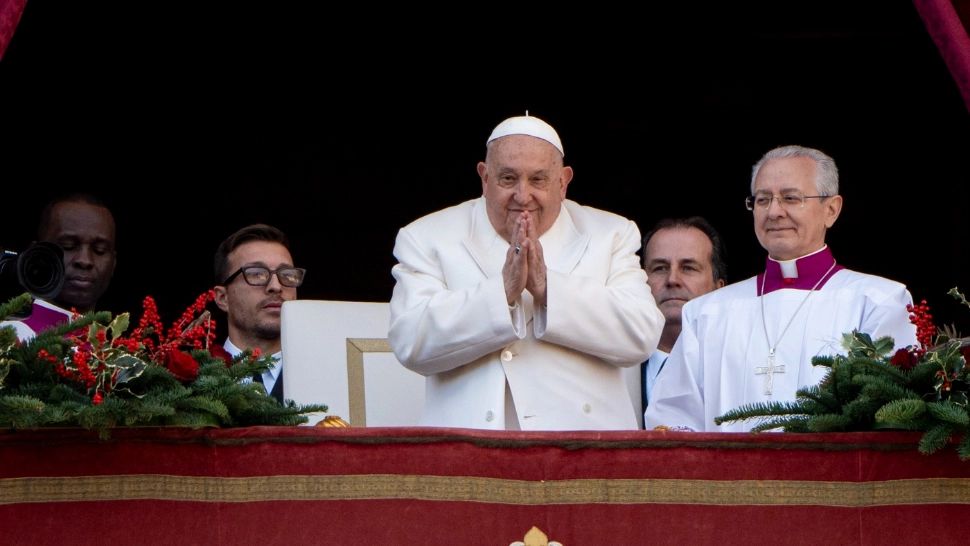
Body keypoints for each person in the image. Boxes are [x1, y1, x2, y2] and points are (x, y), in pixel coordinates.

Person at [388, 114, 664, 431]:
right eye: (508, 179)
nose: (522, 195)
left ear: (563, 182)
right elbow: (411, 342)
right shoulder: (427, 236)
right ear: (484, 177)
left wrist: (549, 290)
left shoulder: (610, 233)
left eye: (538, 180)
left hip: (585, 443)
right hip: (472, 444)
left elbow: (642, 334)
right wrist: (502, 293)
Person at [644, 145, 918, 432]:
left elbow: (892, 418)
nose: (774, 212)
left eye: (790, 198)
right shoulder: (707, 313)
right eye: (763, 200)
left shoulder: (878, 302)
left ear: (831, 210)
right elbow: (672, 421)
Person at [1, 194, 117, 340]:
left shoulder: (117, 348)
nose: (85, 260)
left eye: (99, 250)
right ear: (35, 255)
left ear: (114, 263)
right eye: (68, 246)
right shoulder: (9, 335)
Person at [640, 217, 726, 412]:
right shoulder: (611, 367)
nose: (672, 279)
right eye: (660, 268)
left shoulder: (740, 365)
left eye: (688, 268)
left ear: (719, 288)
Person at [213, 224, 305, 404]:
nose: (276, 286)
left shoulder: (329, 375)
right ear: (223, 298)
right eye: (256, 274)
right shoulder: (188, 381)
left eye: (287, 274)